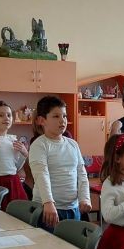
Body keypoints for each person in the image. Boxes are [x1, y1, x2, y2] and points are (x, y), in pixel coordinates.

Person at [28, 96, 91, 230]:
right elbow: (41, 175)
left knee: (72, 243)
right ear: (41, 120)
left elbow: (82, 174)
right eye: (56, 116)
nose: (62, 120)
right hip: (47, 209)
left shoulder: (73, 144)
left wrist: (85, 198)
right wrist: (48, 202)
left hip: (73, 209)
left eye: (64, 116)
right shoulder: (39, 145)